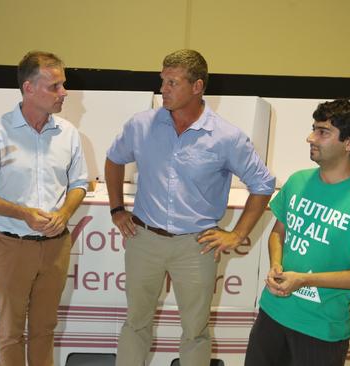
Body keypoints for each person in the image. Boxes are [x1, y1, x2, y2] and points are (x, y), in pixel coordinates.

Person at [105, 49, 276, 366]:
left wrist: (237, 234)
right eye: (163, 81)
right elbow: (114, 159)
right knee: (135, 323)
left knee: (195, 331)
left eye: (172, 82)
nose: (163, 90)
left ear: (197, 86)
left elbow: (263, 184)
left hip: (196, 245)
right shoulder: (141, 125)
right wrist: (117, 209)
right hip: (144, 239)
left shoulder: (227, 137)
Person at [244, 98, 350, 366]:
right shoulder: (298, 180)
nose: (310, 137)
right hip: (271, 315)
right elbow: (278, 233)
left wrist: (303, 280)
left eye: (323, 132)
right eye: (314, 128)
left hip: (321, 330)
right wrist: (276, 265)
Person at [0, 51, 88, 366]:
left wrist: (64, 214)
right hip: (12, 246)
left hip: (56, 246)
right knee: (11, 331)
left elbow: (80, 183)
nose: (64, 93)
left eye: (64, 85)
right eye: (55, 87)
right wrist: (23, 213)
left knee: (45, 328)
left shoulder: (68, 134)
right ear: (29, 88)